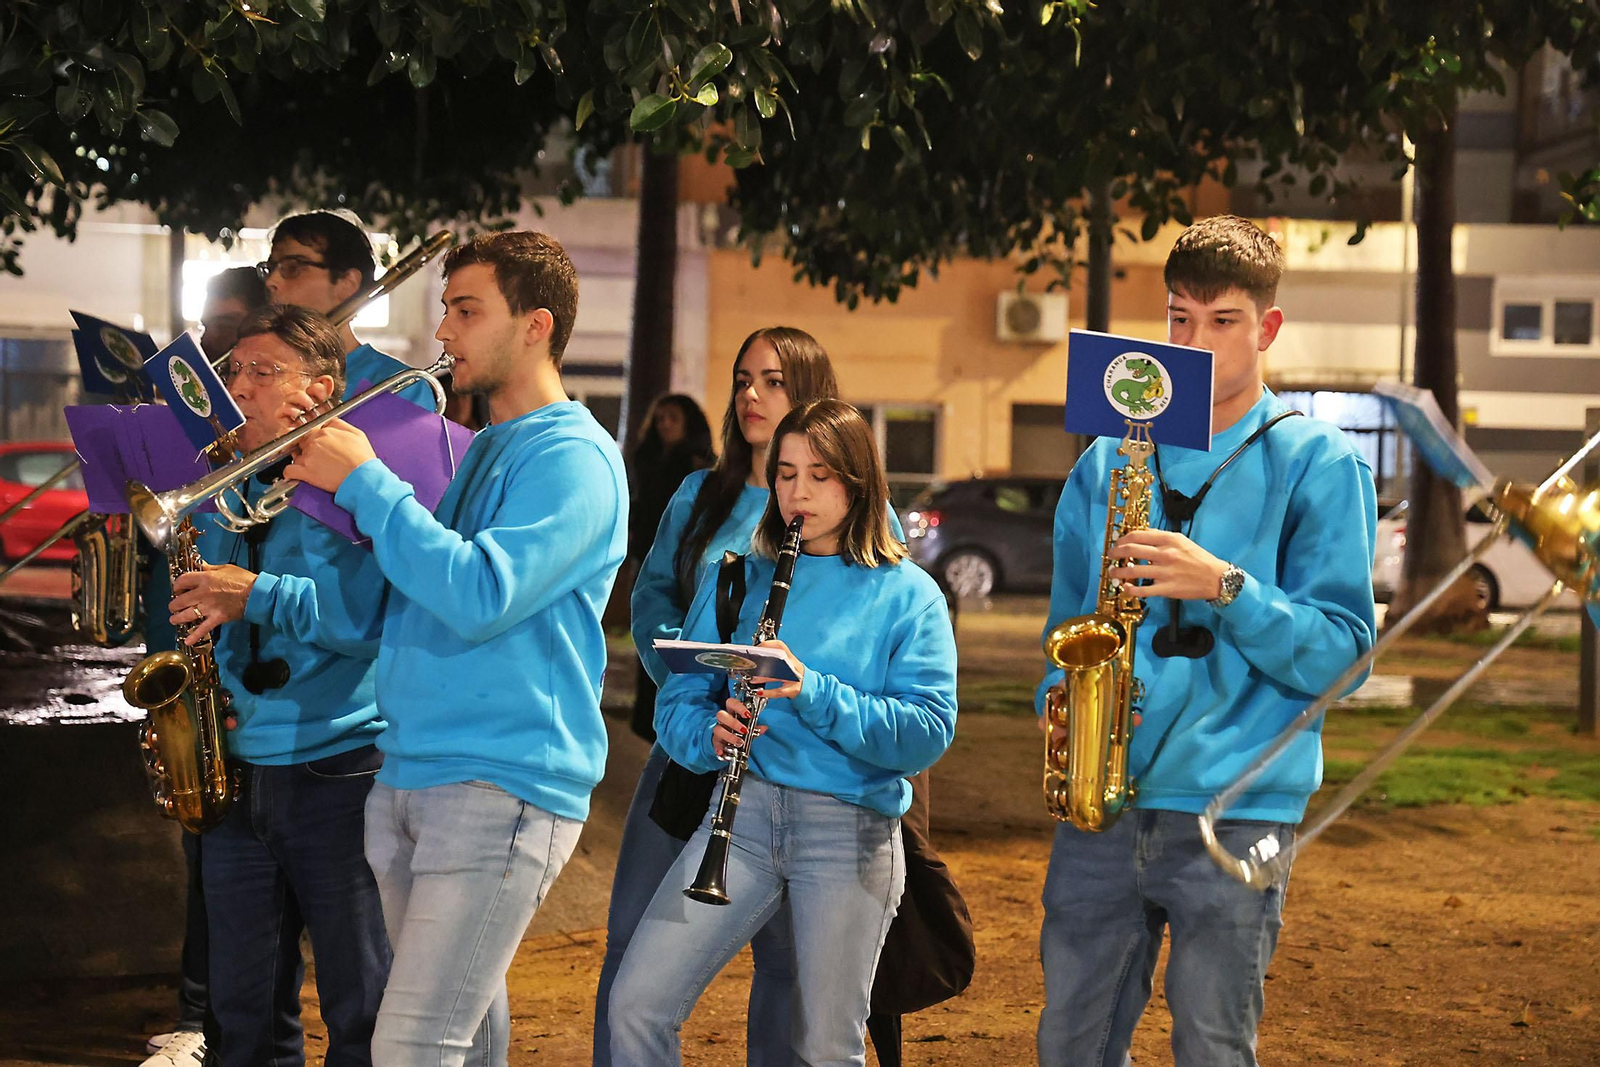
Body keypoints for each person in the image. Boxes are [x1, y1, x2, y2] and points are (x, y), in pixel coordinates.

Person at [1034, 214, 1378, 1067]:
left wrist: (1224, 585)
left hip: (1241, 809)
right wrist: (1063, 701)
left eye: (1222, 322)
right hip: (1103, 797)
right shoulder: (1108, 462)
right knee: (1068, 1044)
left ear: (1266, 329)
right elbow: (1065, 621)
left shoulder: (1319, 462)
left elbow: (1345, 653)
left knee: (1215, 1046)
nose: (1194, 342)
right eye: (1179, 319)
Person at [284, 231, 628, 1067]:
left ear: (537, 325)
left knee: (409, 1047)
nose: (444, 332)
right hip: (417, 771)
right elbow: (417, 589)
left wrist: (366, 481)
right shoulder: (489, 447)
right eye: (446, 309)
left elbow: (480, 594)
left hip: (499, 781)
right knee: (462, 1044)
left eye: (467, 311)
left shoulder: (575, 459)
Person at [609, 398, 958, 1066]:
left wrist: (814, 689)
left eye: (820, 474)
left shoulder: (909, 594)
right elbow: (678, 699)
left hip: (848, 831)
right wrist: (707, 733)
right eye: (786, 472)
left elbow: (925, 732)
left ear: (858, 482)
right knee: (636, 1005)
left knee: (826, 1045)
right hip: (740, 823)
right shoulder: (737, 575)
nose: (798, 491)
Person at [595, 328, 840, 1066]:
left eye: (772, 380)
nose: (751, 395)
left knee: (790, 967)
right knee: (632, 939)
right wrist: (694, 686)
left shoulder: (858, 510)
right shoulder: (703, 492)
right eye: (741, 380)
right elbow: (653, 597)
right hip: (695, 746)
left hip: (793, 762)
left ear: (813, 394)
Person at [164, 305, 393, 1067]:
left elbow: (368, 619)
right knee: (241, 1013)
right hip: (236, 766)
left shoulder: (353, 484)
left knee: (360, 1006)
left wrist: (253, 593)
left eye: (264, 372)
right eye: (234, 372)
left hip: (338, 767)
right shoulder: (219, 484)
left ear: (322, 388)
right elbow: (202, 605)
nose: (242, 388)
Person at [138, 264, 269, 1067]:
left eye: (227, 324)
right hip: (193, 660)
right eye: (208, 325)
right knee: (207, 856)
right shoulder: (197, 431)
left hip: (257, 690)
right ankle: (204, 1018)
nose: (212, 341)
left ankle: (210, 1019)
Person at [258, 209, 433, 406]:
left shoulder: (400, 386)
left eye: (293, 267)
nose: (271, 281)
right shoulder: (253, 371)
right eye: (270, 268)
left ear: (347, 283)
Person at [624, 393, 714, 740]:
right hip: (648, 555)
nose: (664, 425)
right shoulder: (646, 460)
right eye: (659, 418)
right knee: (651, 639)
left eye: (672, 418)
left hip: (685, 565)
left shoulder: (698, 470)